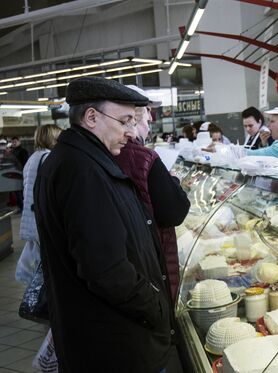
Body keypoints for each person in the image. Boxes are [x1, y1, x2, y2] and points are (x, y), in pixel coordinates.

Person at [33, 76, 178, 373]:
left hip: (103, 339)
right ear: (91, 117)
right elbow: (107, 271)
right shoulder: (82, 171)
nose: (130, 132)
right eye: (124, 121)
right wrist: (157, 308)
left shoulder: (80, 160)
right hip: (115, 347)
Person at [116, 84, 190, 302]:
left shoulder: (102, 153)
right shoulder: (143, 157)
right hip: (149, 260)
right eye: (148, 110)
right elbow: (175, 213)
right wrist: (173, 181)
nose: (150, 118)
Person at [16, 125, 63, 285]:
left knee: (40, 264)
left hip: (32, 217)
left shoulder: (34, 157)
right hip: (41, 219)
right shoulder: (48, 158)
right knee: (47, 268)